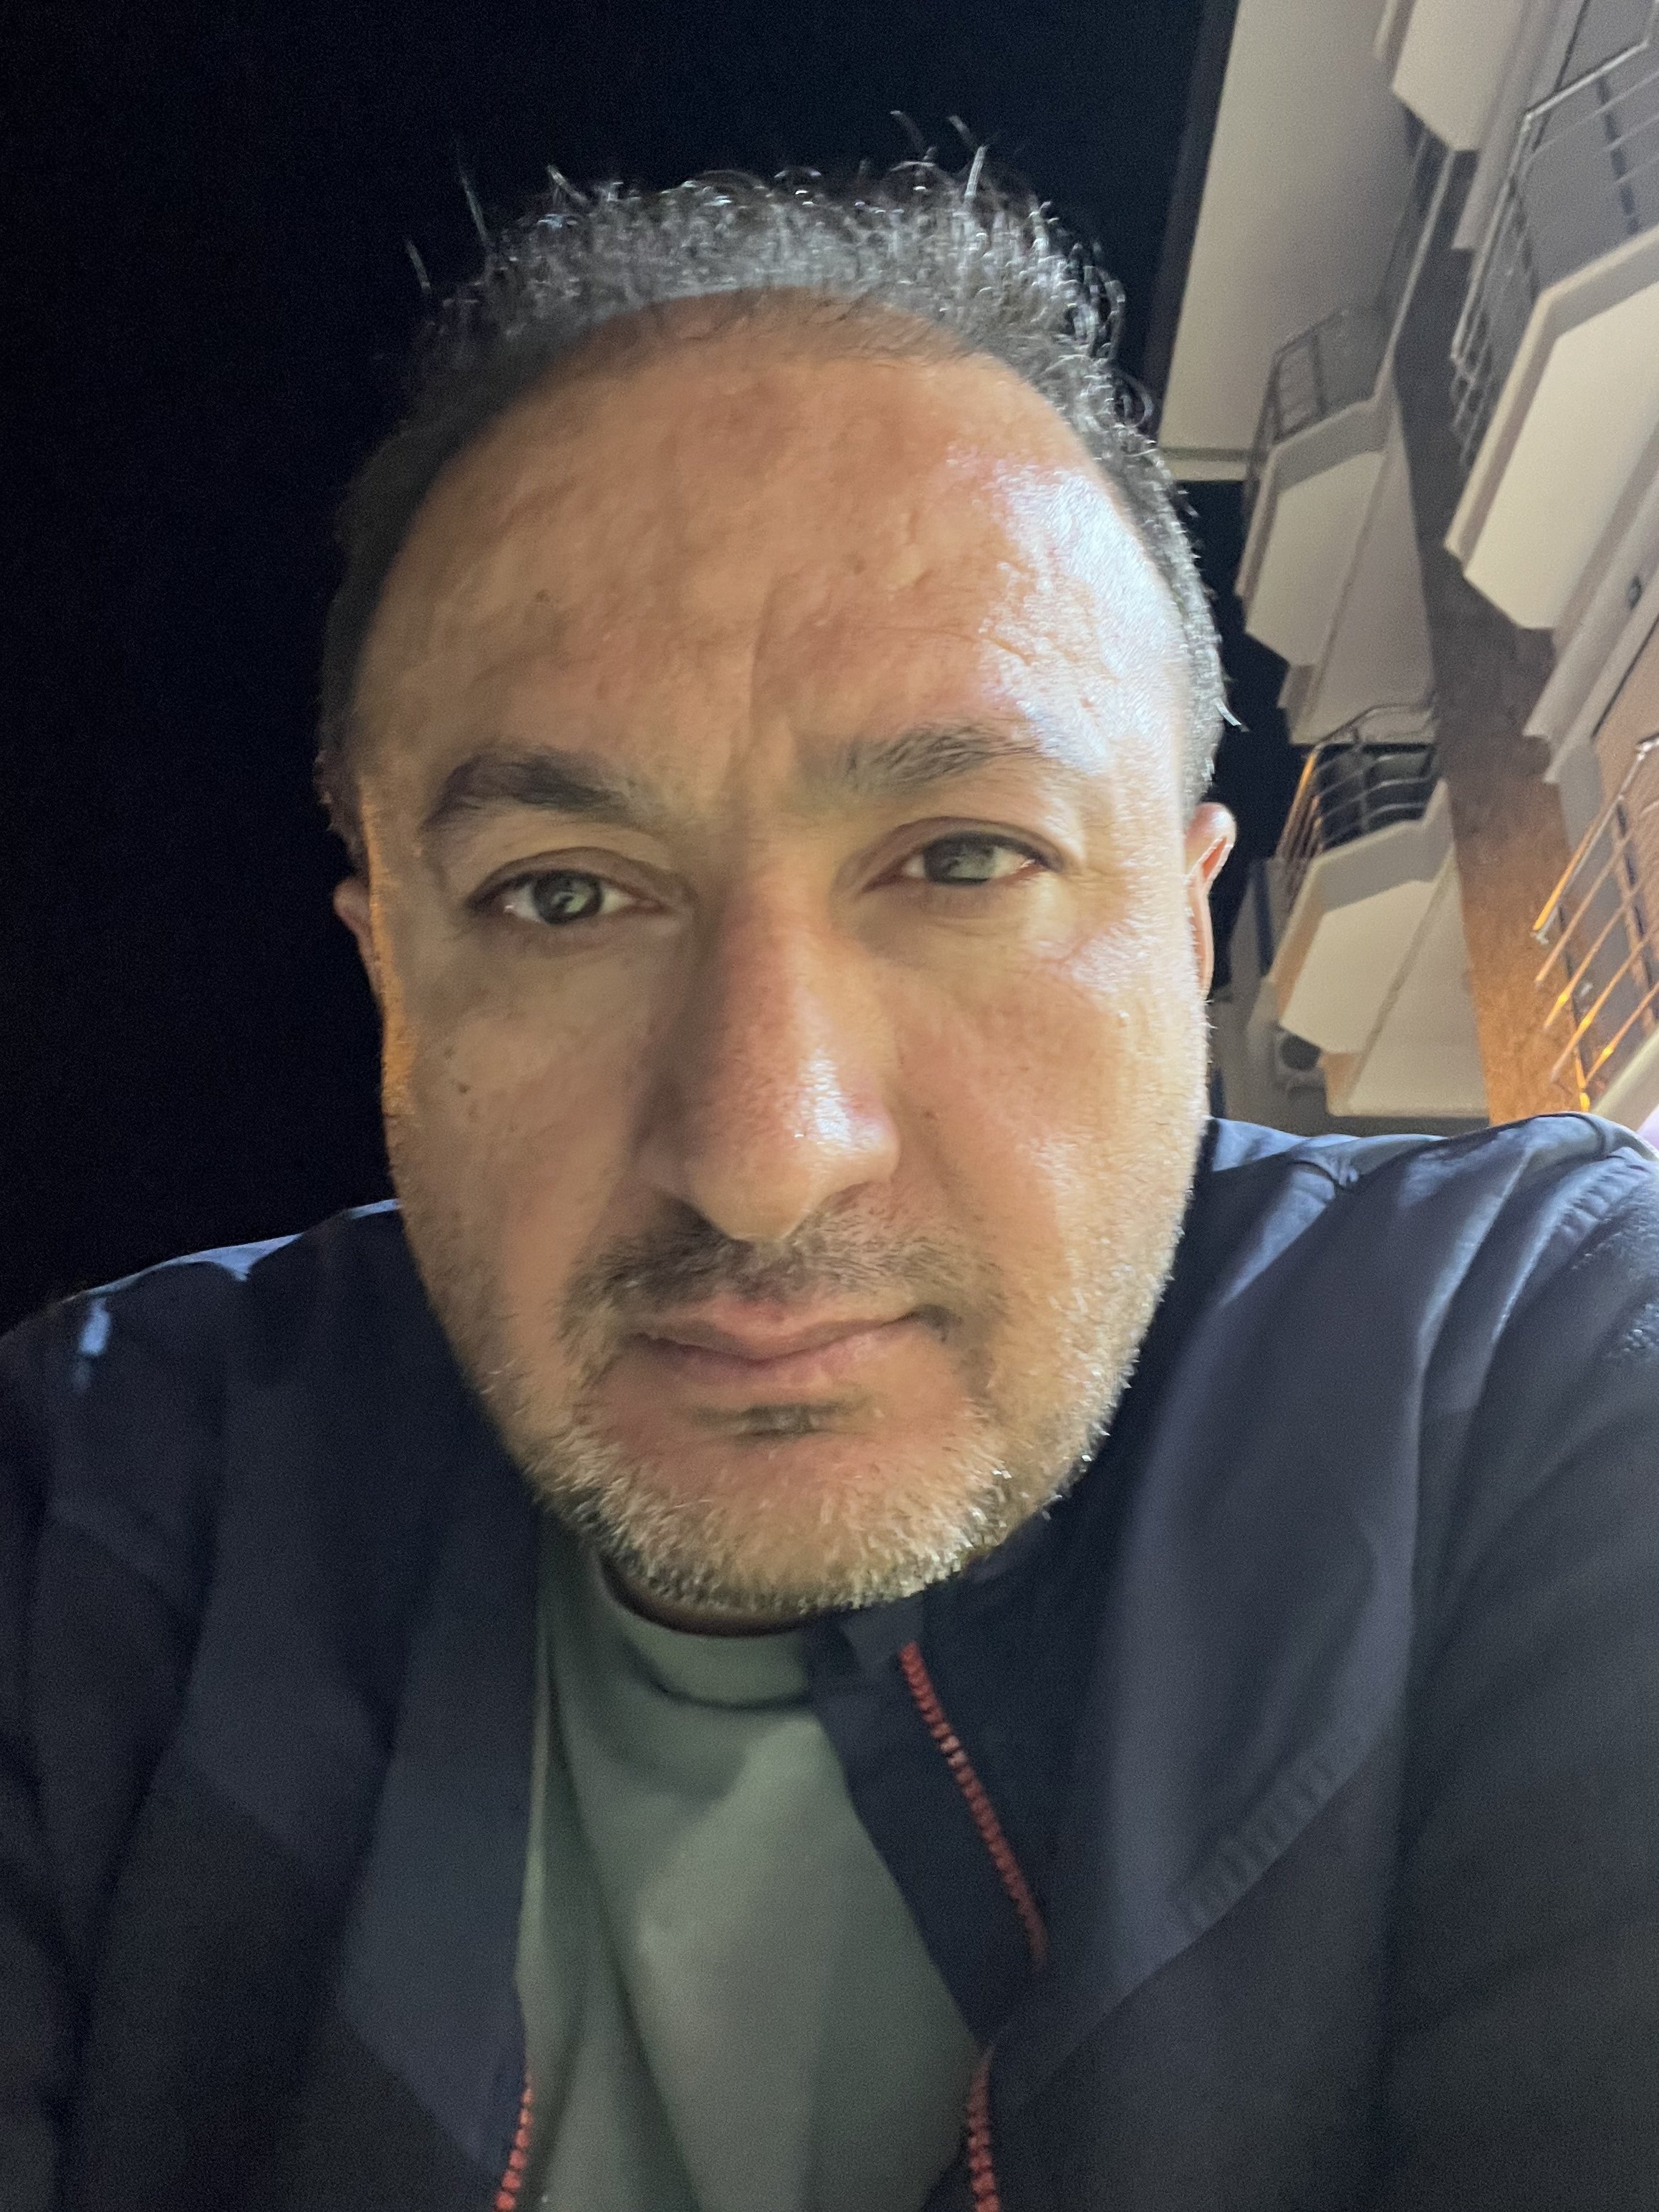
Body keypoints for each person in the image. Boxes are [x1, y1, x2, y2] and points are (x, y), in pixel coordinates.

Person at [4, 163, 1658, 2212]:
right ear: (388, 974)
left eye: (963, 859)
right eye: (563, 895)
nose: (765, 1154)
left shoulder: (1534, 1375)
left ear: (1186, 931)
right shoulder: (93, 1500)